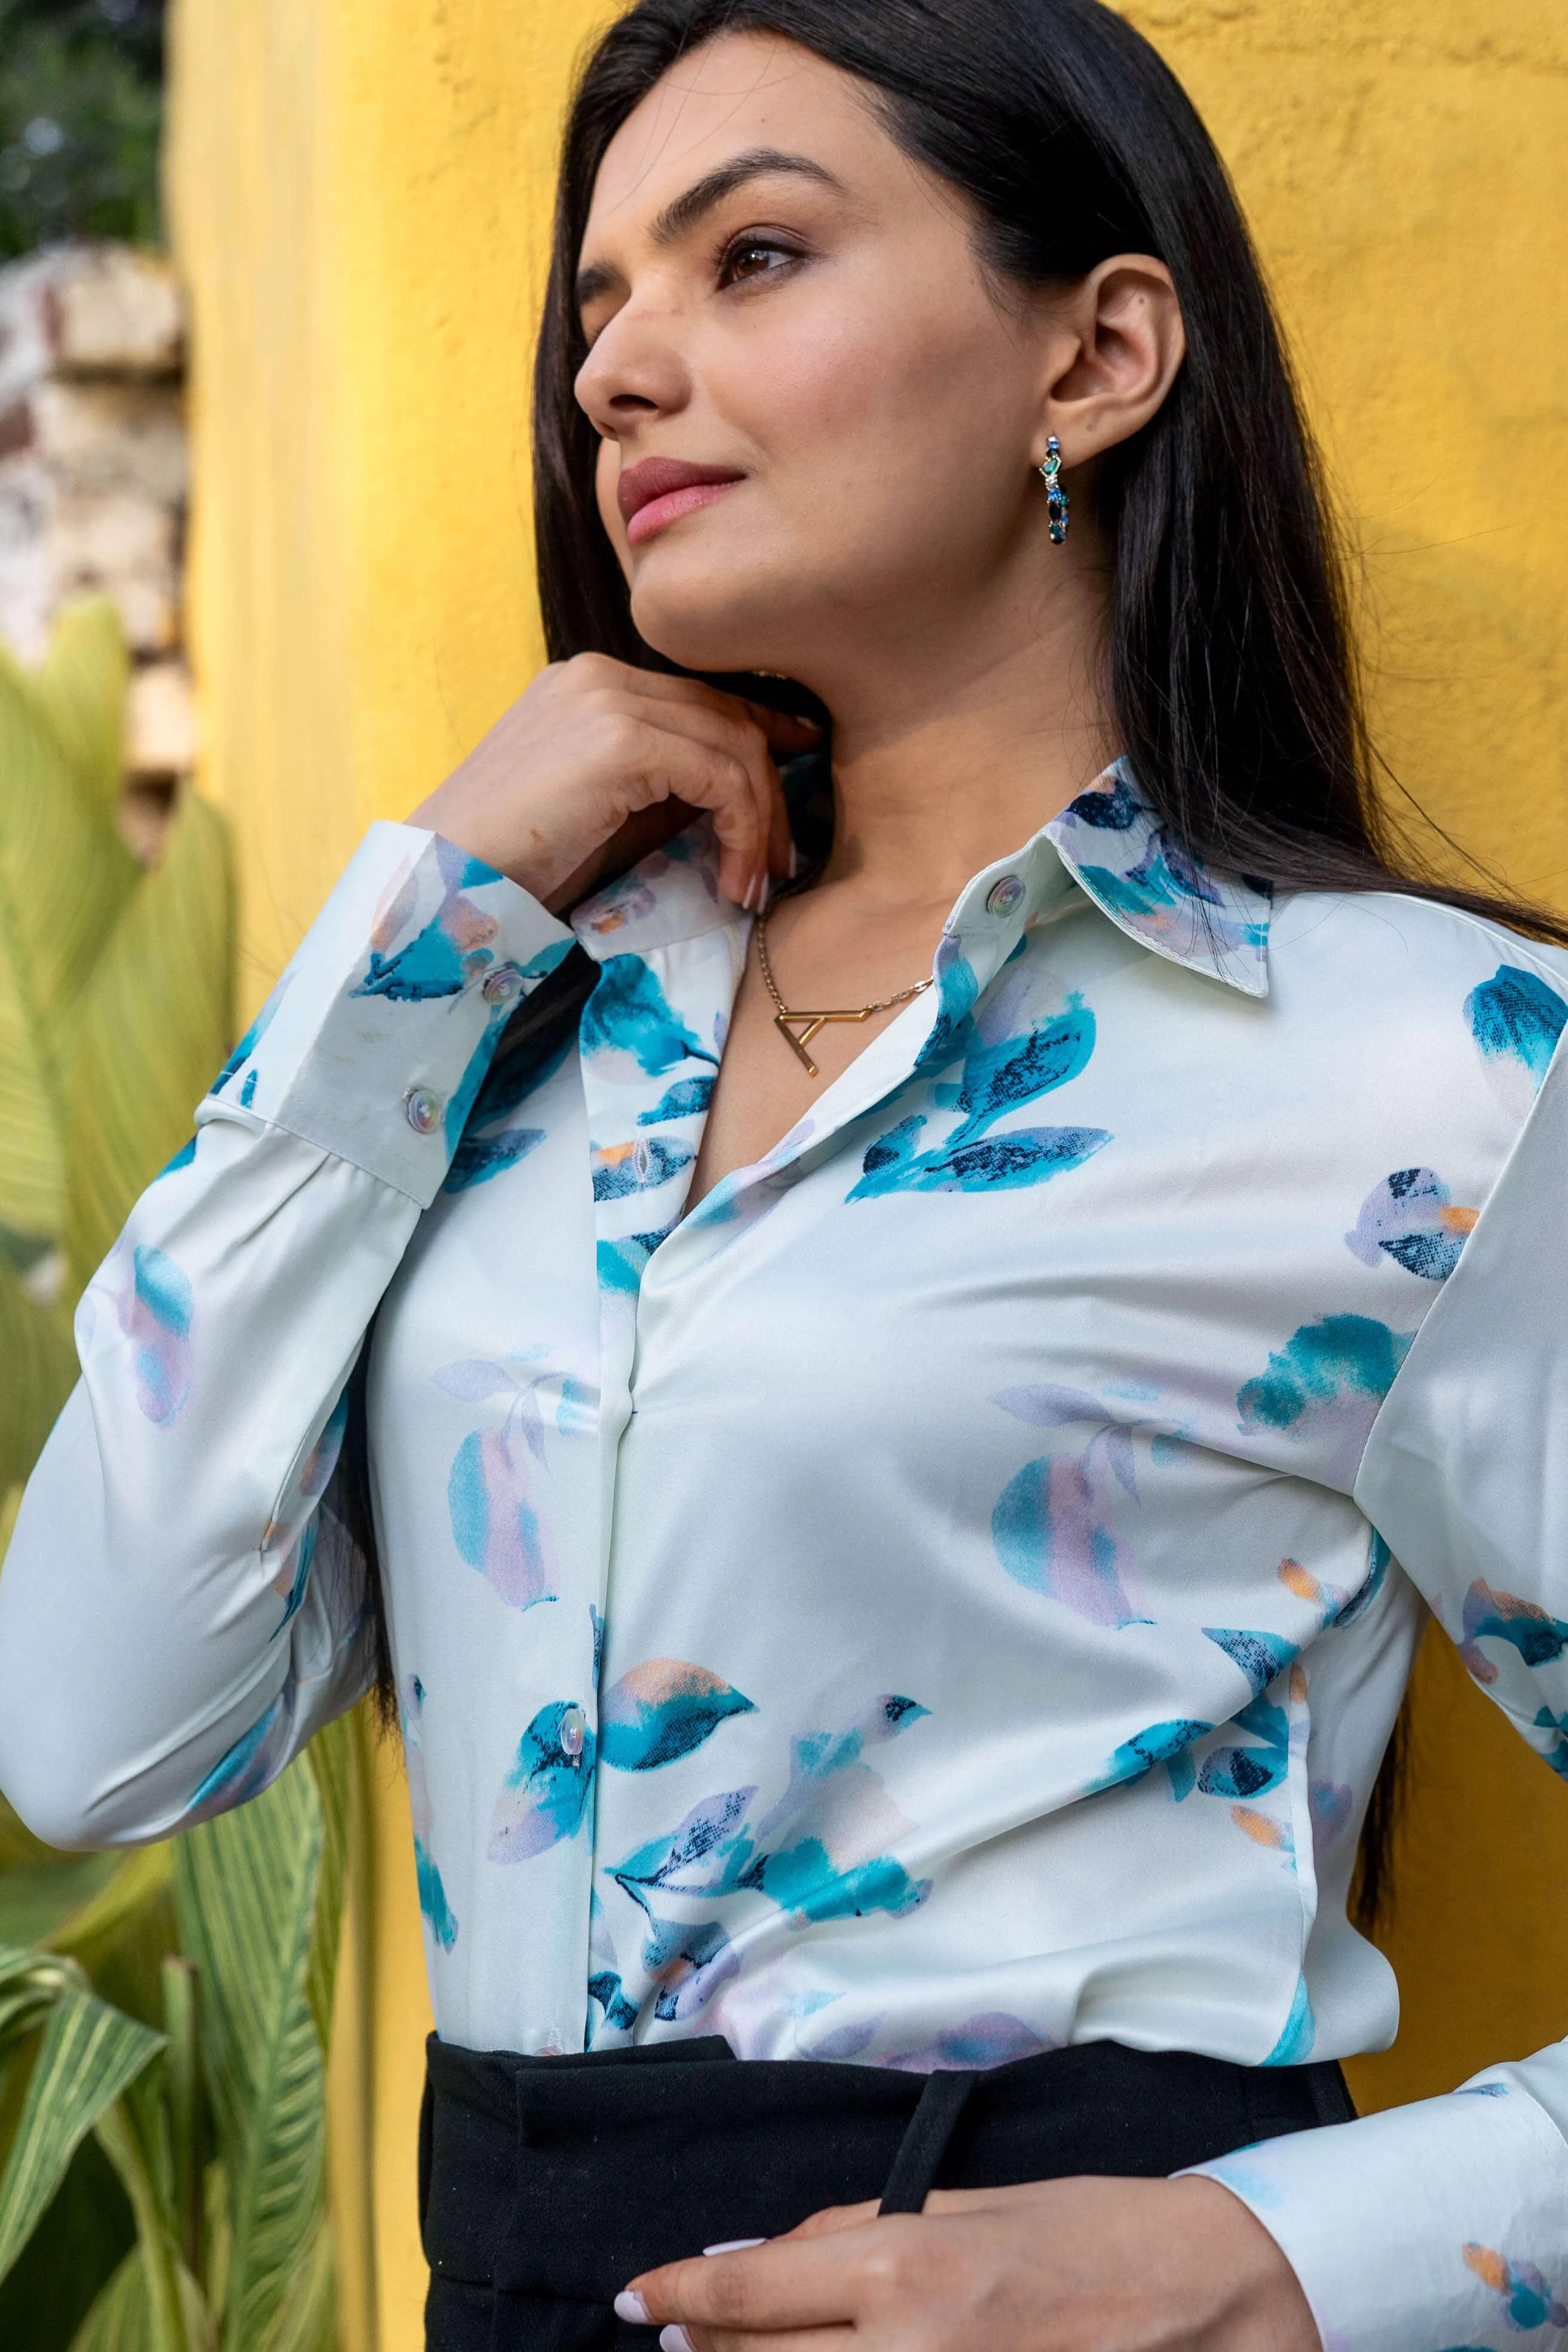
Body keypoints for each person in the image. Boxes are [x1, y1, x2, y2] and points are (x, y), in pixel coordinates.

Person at [4, 1, 1567, 2346]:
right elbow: (97, 1730)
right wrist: (411, 938)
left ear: (1095, 353)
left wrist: (1258, 2266)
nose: (618, 369)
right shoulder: (492, 1051)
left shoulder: (1417, 1070)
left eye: (749, 257)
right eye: (596, 304)